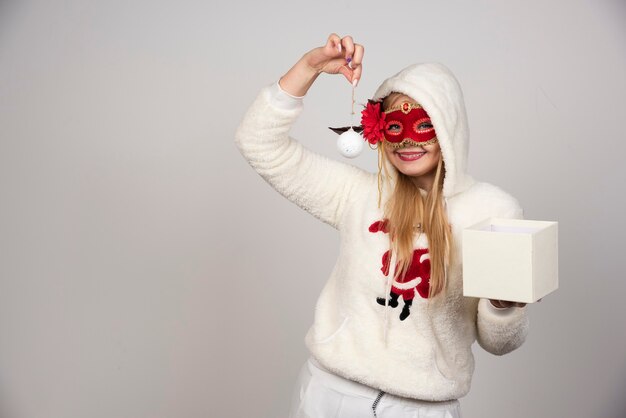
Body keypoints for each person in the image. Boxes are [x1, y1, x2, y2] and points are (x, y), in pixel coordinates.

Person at [235, 33, 529, 418]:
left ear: (448, 129)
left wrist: (503, 306)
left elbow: (500, 342)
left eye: (423, 125)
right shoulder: (358, 194)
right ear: (379, 130)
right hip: (328, 392)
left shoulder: (492, 210)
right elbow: (258, 143)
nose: (407, 141)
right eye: (394, 127)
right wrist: (309, 68)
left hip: (419, 407)